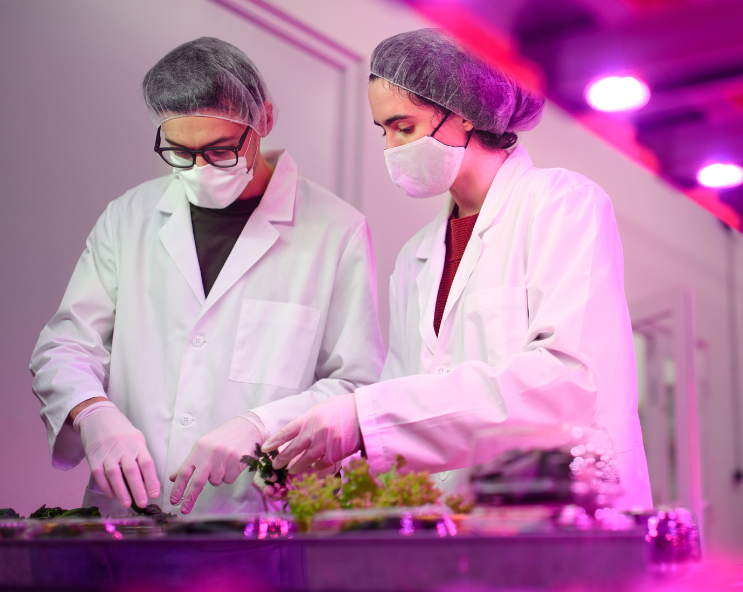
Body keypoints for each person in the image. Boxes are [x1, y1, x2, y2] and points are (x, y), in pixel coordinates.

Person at [263, 29, 652, 508]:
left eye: (403, 127)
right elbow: (405, 396)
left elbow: (566, 381)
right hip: (458, 525)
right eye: (383, 130)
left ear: (464, 112)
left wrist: (367, 419)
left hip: (566, 511)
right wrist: (346, 455)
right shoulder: (415, 258)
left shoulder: (562, 204)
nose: (390, 148)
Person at [30, 37, 384, 516]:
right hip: (131, 514)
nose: (199, 169)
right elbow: (65, 346)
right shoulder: (128, 217)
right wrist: (92, 413)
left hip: (256, 515)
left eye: (219, 150)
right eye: (179, 151)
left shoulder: (335, 230)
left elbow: (356, 383)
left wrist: (259, 424)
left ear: (265, 121)